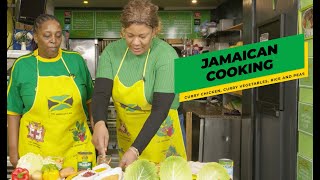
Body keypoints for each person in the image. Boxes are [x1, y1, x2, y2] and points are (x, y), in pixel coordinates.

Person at [91, 0, 187, 168]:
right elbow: (101, 94)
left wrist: (135, 150)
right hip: (128, 135)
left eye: (142, 36)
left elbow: (160, 110)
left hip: (161, 136)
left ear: (155, 31)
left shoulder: (166, 55)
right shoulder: (111, 52)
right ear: (123, 31)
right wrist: (99, 122)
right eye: (129, 35)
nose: (135, 42)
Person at [7, 14, 96, 169]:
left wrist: (99, 138)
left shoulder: (75, 61)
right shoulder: (22, 65)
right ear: (35, 37)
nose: (53, 40)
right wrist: (14, 153)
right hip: (36, 154)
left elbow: (91, 102)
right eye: (47, 35)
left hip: (76, 151)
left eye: (58, 35)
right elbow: (13, 111)